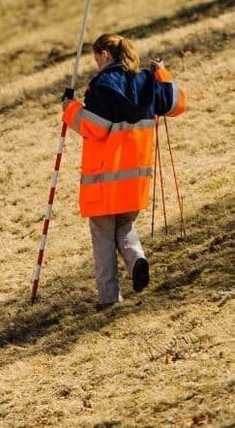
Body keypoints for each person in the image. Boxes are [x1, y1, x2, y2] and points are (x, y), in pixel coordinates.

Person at [62, 33, 187, 309]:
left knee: (103, 235)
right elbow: (177, 104)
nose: (96, 65)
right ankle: (137, 260)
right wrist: (161, 72)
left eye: (96, 59)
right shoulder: (146, 80)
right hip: (136, 180)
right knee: (125, 226)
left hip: (104, 179)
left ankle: (108, 298)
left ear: (104, 54)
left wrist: (69, 109)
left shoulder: (103, 85)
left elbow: (94, 127)